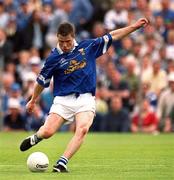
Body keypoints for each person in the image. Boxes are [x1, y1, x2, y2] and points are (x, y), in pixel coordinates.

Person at [20, 18, 149, 172]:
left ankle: (62, 163)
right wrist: (33, 100)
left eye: (68, 41)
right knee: (47, 132)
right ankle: (37, 137)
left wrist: (134, 26)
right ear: (57, 39)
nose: (65, 45)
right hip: (63, 100)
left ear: (73, 37)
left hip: (86, 99)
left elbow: (113, 36)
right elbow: (41, 82)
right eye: (61, 42)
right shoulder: (53, 58)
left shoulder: (87, 46)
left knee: (82, 129)